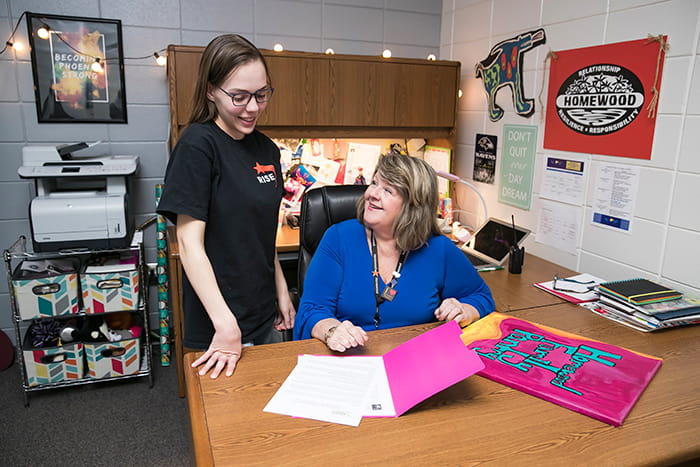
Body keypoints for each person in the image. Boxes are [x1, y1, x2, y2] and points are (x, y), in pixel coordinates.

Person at [157, 34, 295, 378]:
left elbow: (261, 232)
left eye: (261, 95)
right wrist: (226, 325)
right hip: (220, 322)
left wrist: (281, 290)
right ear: (210, 91)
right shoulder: (198, 145)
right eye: (239, 97)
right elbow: (189, 245)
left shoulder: (267, 150)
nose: (252, 107)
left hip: (265, 312)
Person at [293, 152, 495, 351]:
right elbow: (312, 310)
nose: (372, 194)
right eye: (374, 183)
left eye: (388, 190)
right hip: (350, 357)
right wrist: (332, 331)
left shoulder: (439, 249)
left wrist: (464, 309)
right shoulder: (338, 238)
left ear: (412, 206)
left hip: (414, 360)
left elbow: (481, 296)